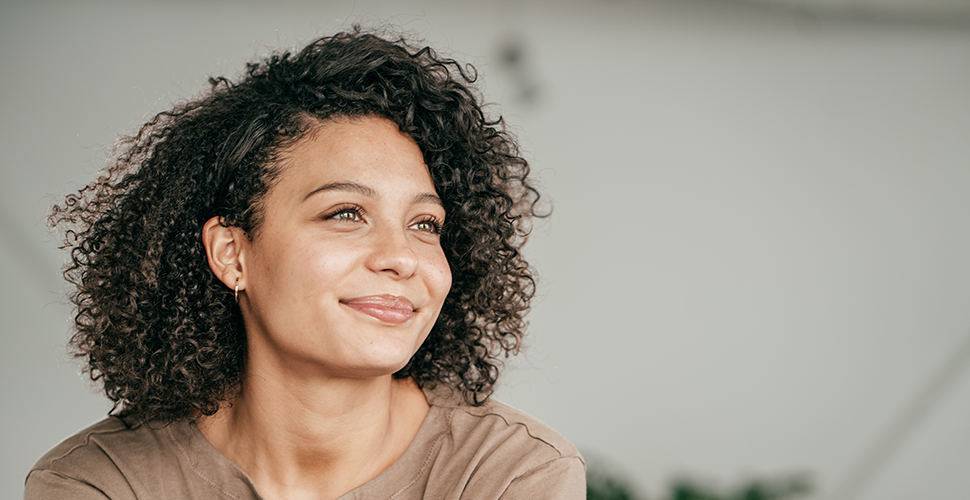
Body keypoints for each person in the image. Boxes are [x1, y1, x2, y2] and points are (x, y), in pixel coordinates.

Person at [25, 28, 585, 500]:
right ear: (231, 253)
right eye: (345, 213)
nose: (400, 258)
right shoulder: (100, 483)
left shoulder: (512, 475)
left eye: (424, 225)